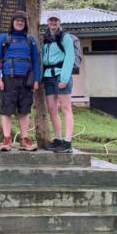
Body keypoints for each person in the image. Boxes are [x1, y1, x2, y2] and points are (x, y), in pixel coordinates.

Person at [0, 11, 40, 152]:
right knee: (7, 110)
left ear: (25, 24)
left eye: (22, 21)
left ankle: (25, 140)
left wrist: (36, 80)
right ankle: (6, 140)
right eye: (17, 20)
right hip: (8, 79)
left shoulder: (30, 40)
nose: (19, 23)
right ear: (12, 22)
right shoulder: (3, 38)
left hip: (26, 80)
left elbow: (36, 62)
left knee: (24, 110)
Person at [41, 13, 75, 153]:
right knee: (52, 109)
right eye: (51, 20)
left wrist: (64, 78)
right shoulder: (45, 38)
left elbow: (70, 57)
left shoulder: (65, 37)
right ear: (47, 22)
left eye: (55, 20)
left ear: (59, 22)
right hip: (48, 76)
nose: (53, 23)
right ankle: (58, 139)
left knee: (65, 108)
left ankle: (67, 142)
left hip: (61, 75)